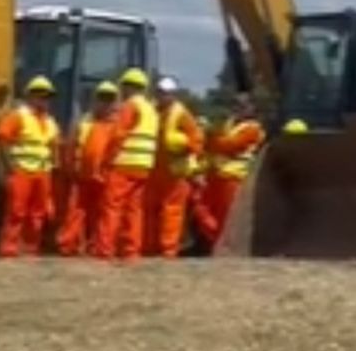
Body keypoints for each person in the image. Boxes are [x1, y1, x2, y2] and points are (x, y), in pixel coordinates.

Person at [94, 68, 159, 261]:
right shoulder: (151, 110)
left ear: (127, 87)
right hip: (143, 166)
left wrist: (105, 162)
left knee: (112, 207)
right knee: (134, 210)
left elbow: (118, 136)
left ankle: (105, 250)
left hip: (124, 164)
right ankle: (132, 251)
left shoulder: (130, 106)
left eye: (123, 87)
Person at [0, 75, 61, 257]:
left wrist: (54, 165)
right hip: (21, 171)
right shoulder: (18, 117)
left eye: (48, 97)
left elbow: (53, 146)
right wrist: (8, 166)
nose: (45, 100)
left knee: (38, 213)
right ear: (30, 96)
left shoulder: (50, 122)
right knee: (16, 211)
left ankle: (31, 248)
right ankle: (9, 248)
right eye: (41, 96)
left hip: (42, 173)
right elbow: (1, 139)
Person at [56, 80, 117, 257]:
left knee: (103, 214)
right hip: (82, 177)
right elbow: (71, 147)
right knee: (76, 212)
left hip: (106, 178)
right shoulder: (83, 123)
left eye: (109, 99)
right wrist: (70, 170)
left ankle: (99, 246)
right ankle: (68, 245)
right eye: (102, 98)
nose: (105, 103)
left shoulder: (118, 126)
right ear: (95, 100)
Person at [147, 76, 203, 259]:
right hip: (154, 171)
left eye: (166, 93)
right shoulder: (152, 111)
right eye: (160, 92)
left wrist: (180, 145)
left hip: (175, 172)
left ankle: (168, 249)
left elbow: (196, 140)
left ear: (173, 95)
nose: (162, 96)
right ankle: (151, 246)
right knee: (151, 210)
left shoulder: (181, 114)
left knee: (172, 212)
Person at [197, 94, 265, 244]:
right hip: (215, 176)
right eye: (236, 104)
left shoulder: (253, 129)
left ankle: (223, 246)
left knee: (226, 218)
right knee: (200, 208)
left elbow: (230, 146)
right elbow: (214, 146)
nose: (238, 108)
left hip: (233, 179)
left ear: (253, 109)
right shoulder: (230, 123)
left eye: (243, 105)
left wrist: (210, 134)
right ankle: (217, 242)